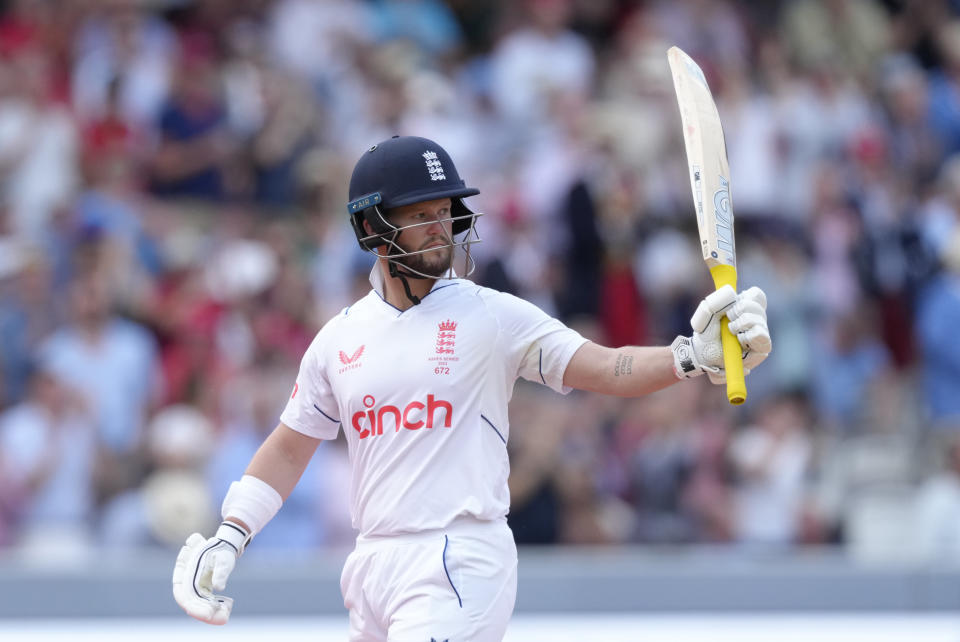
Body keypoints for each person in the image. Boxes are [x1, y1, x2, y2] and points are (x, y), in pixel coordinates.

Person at [172, 135, 772, 640]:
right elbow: (289, 446)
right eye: (420, 214)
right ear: (370, 226)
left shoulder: (493, 316)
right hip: (371, 563)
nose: (442, 228)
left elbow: (606, 368)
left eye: (445, 211)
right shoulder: (338, 338)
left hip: (460, 555)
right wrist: (231, 535)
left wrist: (690, 356)